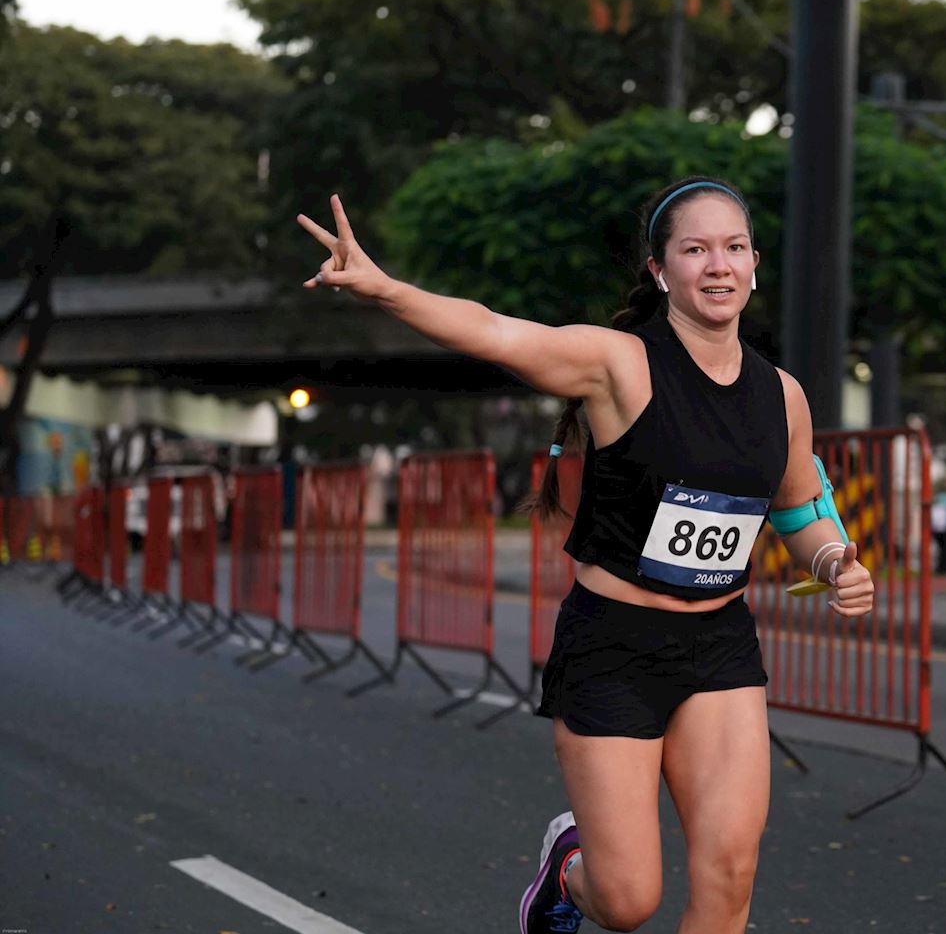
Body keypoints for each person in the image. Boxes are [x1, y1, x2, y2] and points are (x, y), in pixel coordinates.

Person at [297, 177, 875, 934]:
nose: (717, 265)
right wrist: (386, 291)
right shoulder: (618, 365)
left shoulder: (782, 396)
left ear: (755, 264)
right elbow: (495, 331)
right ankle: (567, 874)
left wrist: (832, 561)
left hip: (719, 648)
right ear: (659, 270)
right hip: (613, 648)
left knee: (730, 874)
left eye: (733, 248)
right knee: (630, 901)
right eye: (694, 249)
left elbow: (800, 508)